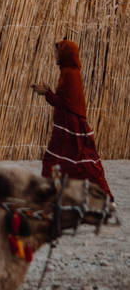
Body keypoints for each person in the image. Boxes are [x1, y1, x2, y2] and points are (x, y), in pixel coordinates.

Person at [31, 38, 112, 200]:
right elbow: (66, 100)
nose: (55, 55)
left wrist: (46, 93)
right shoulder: (67, 72)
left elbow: (66, 103)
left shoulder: (70, 74)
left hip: (71, 127)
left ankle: (105, 196)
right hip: (65, 126)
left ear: (65, 54)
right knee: (57, 160)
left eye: (57, 51)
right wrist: (48, 92)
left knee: (84, 163)